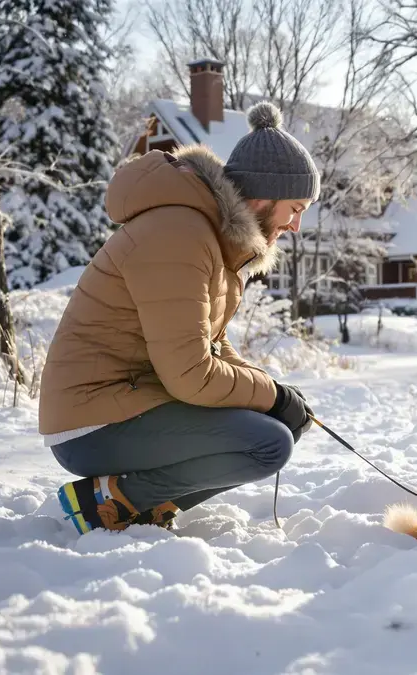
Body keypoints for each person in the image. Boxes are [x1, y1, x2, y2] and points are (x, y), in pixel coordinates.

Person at [39, 102, 319, 534]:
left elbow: (212, 344)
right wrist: (271, 396)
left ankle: (141, 508)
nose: (296, 225)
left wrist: (277, 394)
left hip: (132, 403)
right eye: (295, 208)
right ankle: (111, 501)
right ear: (265, 196)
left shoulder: (211, 239)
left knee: (275, 425)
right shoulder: (179, 236)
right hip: (90, 420)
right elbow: (191, 373)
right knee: (268, 443)